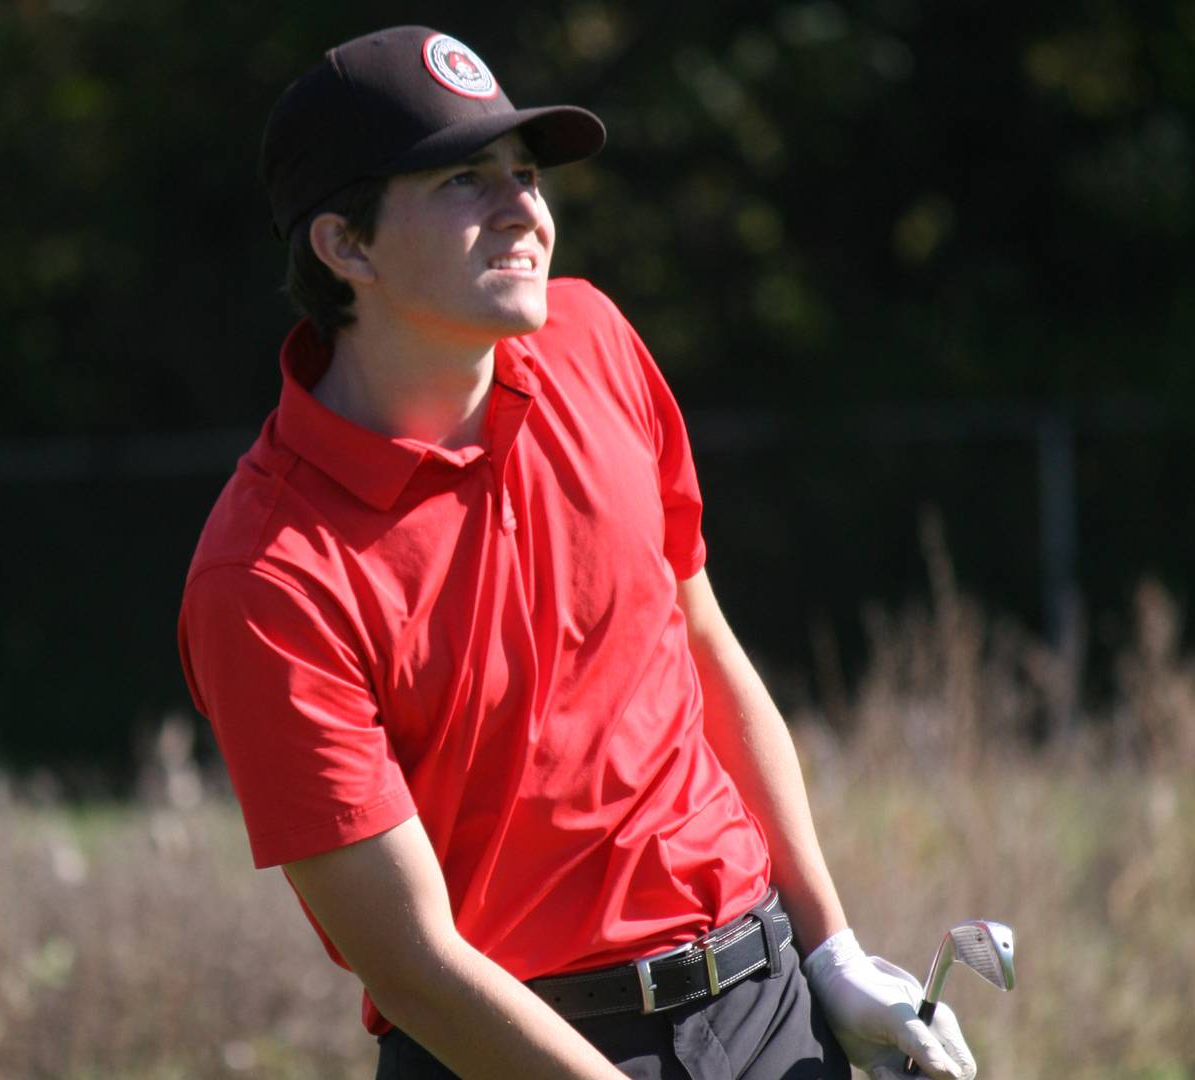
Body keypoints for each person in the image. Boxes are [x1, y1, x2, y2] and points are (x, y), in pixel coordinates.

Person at [179, 25, 977, 1080]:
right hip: (507, 1051)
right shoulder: (269, 573)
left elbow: (703, 652)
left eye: (525, 173)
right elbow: (412, 962)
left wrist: (829, 950)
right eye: (465, 179)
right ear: (345, 246)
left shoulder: (593, 339)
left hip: (768, 1003)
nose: (523, 208)